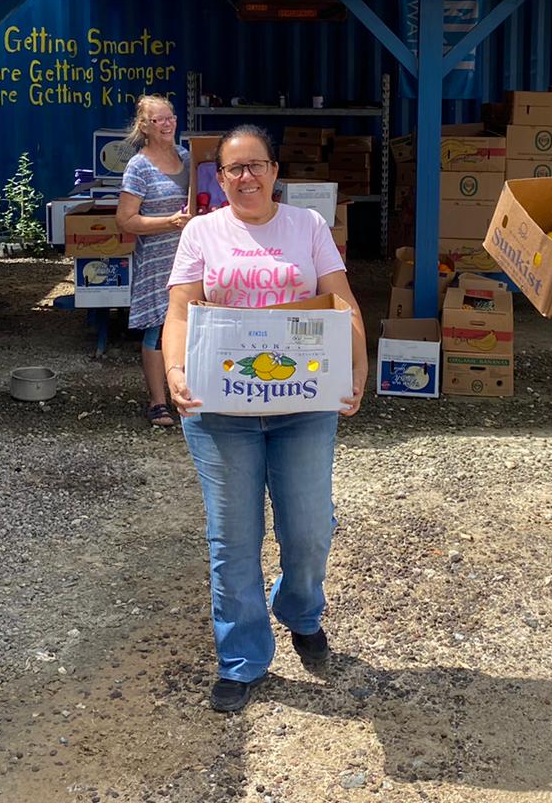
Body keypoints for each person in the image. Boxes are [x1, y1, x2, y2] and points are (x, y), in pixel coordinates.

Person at [161, 125, 367, 713]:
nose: (246, 177)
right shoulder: (202, 231)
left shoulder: (307, 227)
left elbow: (341, 300)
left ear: (276, 172)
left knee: (309, 529)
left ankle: (299, 609)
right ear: (218, 178)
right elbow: (179, 313)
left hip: (302, 405)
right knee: (234, 537)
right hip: (220, 408)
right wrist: (176, 371)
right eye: (233, 169)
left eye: (257, 166)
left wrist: (356, 368)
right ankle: (243, 656)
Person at [115, 95, 190, 428]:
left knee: (191, 327)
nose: (167, 123)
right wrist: (168, 223)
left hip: (191, 258)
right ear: (144, 127)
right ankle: (158, 402)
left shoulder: (188, 158)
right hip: (157, 261)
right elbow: (126, 220)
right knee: (157, 330)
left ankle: (185, 394)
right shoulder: (139, 166)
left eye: (170, 117)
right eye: (158, 119)